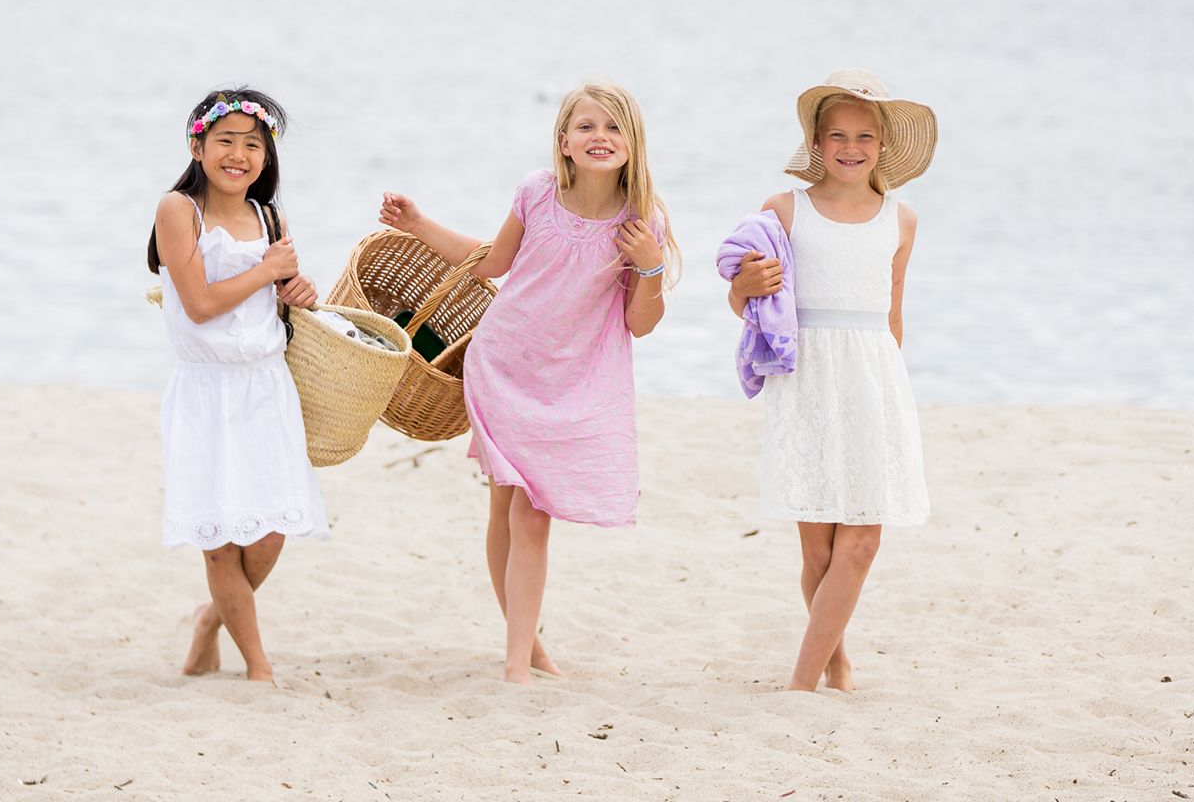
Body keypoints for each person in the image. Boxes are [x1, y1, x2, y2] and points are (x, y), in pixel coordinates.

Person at [379, 80, 679, 683]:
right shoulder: (537, 194)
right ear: (564, 140)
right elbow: (491, 262)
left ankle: (525, 645)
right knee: (517, 509)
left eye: (614, 126)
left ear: (633, 141)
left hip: (574, 382)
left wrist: (650, 264)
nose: (601, 137)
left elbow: (639, 323)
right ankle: (521, 659)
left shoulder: (641, 220)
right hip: (506, 363)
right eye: (587, 126)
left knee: (526, 509)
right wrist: (418, 225)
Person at [727, 68, 935, 692]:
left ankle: (801, 682)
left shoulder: (901, 220)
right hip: (807, 380)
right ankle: (837, 666)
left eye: (864, 136)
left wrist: (887, 396)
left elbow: (893, 315)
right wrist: (743, 288)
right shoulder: (784, 212)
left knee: (862, 542)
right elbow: (748, 304)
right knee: (818, 550)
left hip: (873, 384)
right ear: (816, 143)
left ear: (884, 144)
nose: (850, 147)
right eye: (837, 134)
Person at [146, 87, 323, 684]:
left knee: (269, 533)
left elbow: (280, 295)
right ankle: (259, 666)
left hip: (266, 388)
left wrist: (296, 288)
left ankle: (210, 620)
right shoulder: (178, 210)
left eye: (254, 144)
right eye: (226, 141)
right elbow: (197, 305)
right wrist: (267, 272)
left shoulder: (268, 216)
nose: (239, 155)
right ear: (198, 145)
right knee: (220, 538)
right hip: (206, 390)